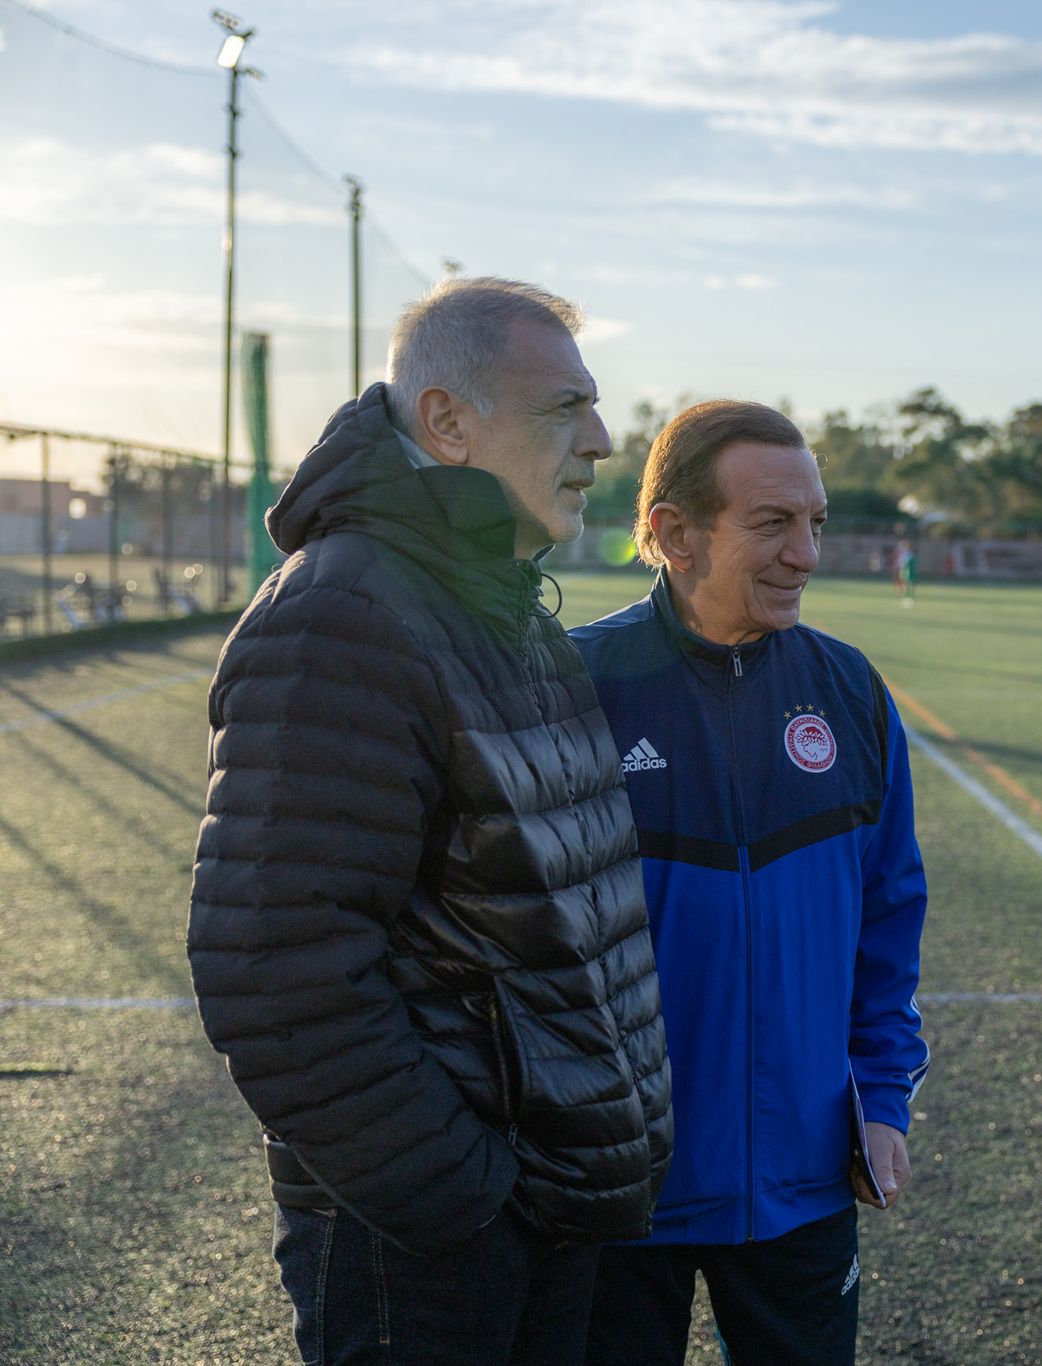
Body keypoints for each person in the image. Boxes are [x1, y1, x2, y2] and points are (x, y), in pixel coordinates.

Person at [187, 278, 674, 1364]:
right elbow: (275, 966)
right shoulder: (342, 614)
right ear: (447, 421)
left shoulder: (497, 606)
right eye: (563, 408)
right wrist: (462, 1203)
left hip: (540, 1206)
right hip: (433, 1234)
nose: (601, 439)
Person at [572, 401, 930, 1366]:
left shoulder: (849, 691)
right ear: (672, 534)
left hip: (803, 1178)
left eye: (815, 523)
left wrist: (884, 1099)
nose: (805, 553)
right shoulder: (574, 689)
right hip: (613, 1181)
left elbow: (888, 919)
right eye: (772, 524)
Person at [893, 538, 917, 608]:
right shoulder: (904, 554)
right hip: (905, 571)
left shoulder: (909, 554)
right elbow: (901, 563)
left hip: (909, 571)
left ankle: (908, 595)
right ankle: (906, 595)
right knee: (905, 583)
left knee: (909, 583)